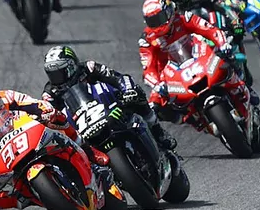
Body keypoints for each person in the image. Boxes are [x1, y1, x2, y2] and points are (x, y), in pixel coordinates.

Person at [0, 75, 100, 210]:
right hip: (1, 152)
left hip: (25, 130)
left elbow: (33, 103)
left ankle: (88, 151)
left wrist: (47, 112)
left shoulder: (5, 97)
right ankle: (27, 199)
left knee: (58, 119)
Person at [138, 0, 259, 122]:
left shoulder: (184, 18)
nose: (157, 24)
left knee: (227, 56)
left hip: (197, 56)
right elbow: (148, 69)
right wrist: (157, 84)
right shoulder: (146, 40)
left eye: (159, 19)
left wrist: (223, 44)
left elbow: (210, 30)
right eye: (152, 21)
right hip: (170, 75)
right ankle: (188, 120)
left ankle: (243, 87)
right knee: (154, 107)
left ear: (168, 13)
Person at [40, 45, 178, 152]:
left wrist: (128, 90)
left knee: (137, 94)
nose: (56, 78)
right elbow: (47, 115)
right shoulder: (50, 92)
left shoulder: (88, 68)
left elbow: (119, 78)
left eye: (59, 72)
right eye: (51, 74)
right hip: (82, 126)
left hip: (111, 106)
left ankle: (158, 132)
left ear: (71, 65)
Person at [162, 0, 251, 84]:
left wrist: (235, 21)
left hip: (208, 25)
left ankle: (242, 68)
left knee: (237, 32)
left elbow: (223, 7)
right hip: (184, 33)